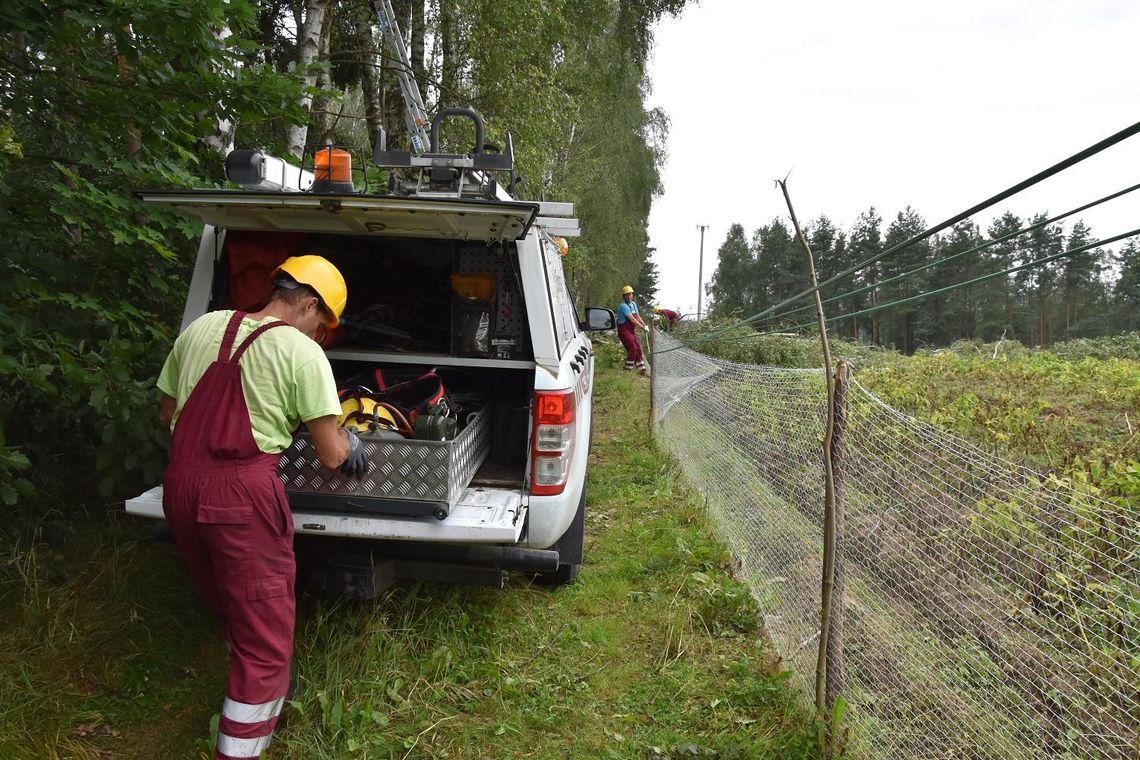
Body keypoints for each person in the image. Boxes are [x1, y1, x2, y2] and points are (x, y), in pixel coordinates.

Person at [157, 254, 368, 760]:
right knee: (267, 641)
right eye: (323, 323)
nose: (321, 335)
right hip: (241, 497)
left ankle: (255, 681)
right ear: (310, 304)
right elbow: (332, 454)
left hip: (181, 488)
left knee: (231, 602)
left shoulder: (204, 326)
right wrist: (350, 443)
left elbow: (167, 412)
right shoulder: (302, 353)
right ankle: (243, 739)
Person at [616, 285, 650, 375]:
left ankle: (641, 369)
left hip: (631, 331)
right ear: (624, 296)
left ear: (632, 295)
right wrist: (642, 327)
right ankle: (628, 368)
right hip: (623, 331)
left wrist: (645, 325)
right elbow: (632, 319)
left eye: (630, 294)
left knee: (638, 348)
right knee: (633, 348)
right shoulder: (623, 306)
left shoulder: (633, 304)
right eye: (627, 295)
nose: (629, 296)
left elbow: (637, 316)